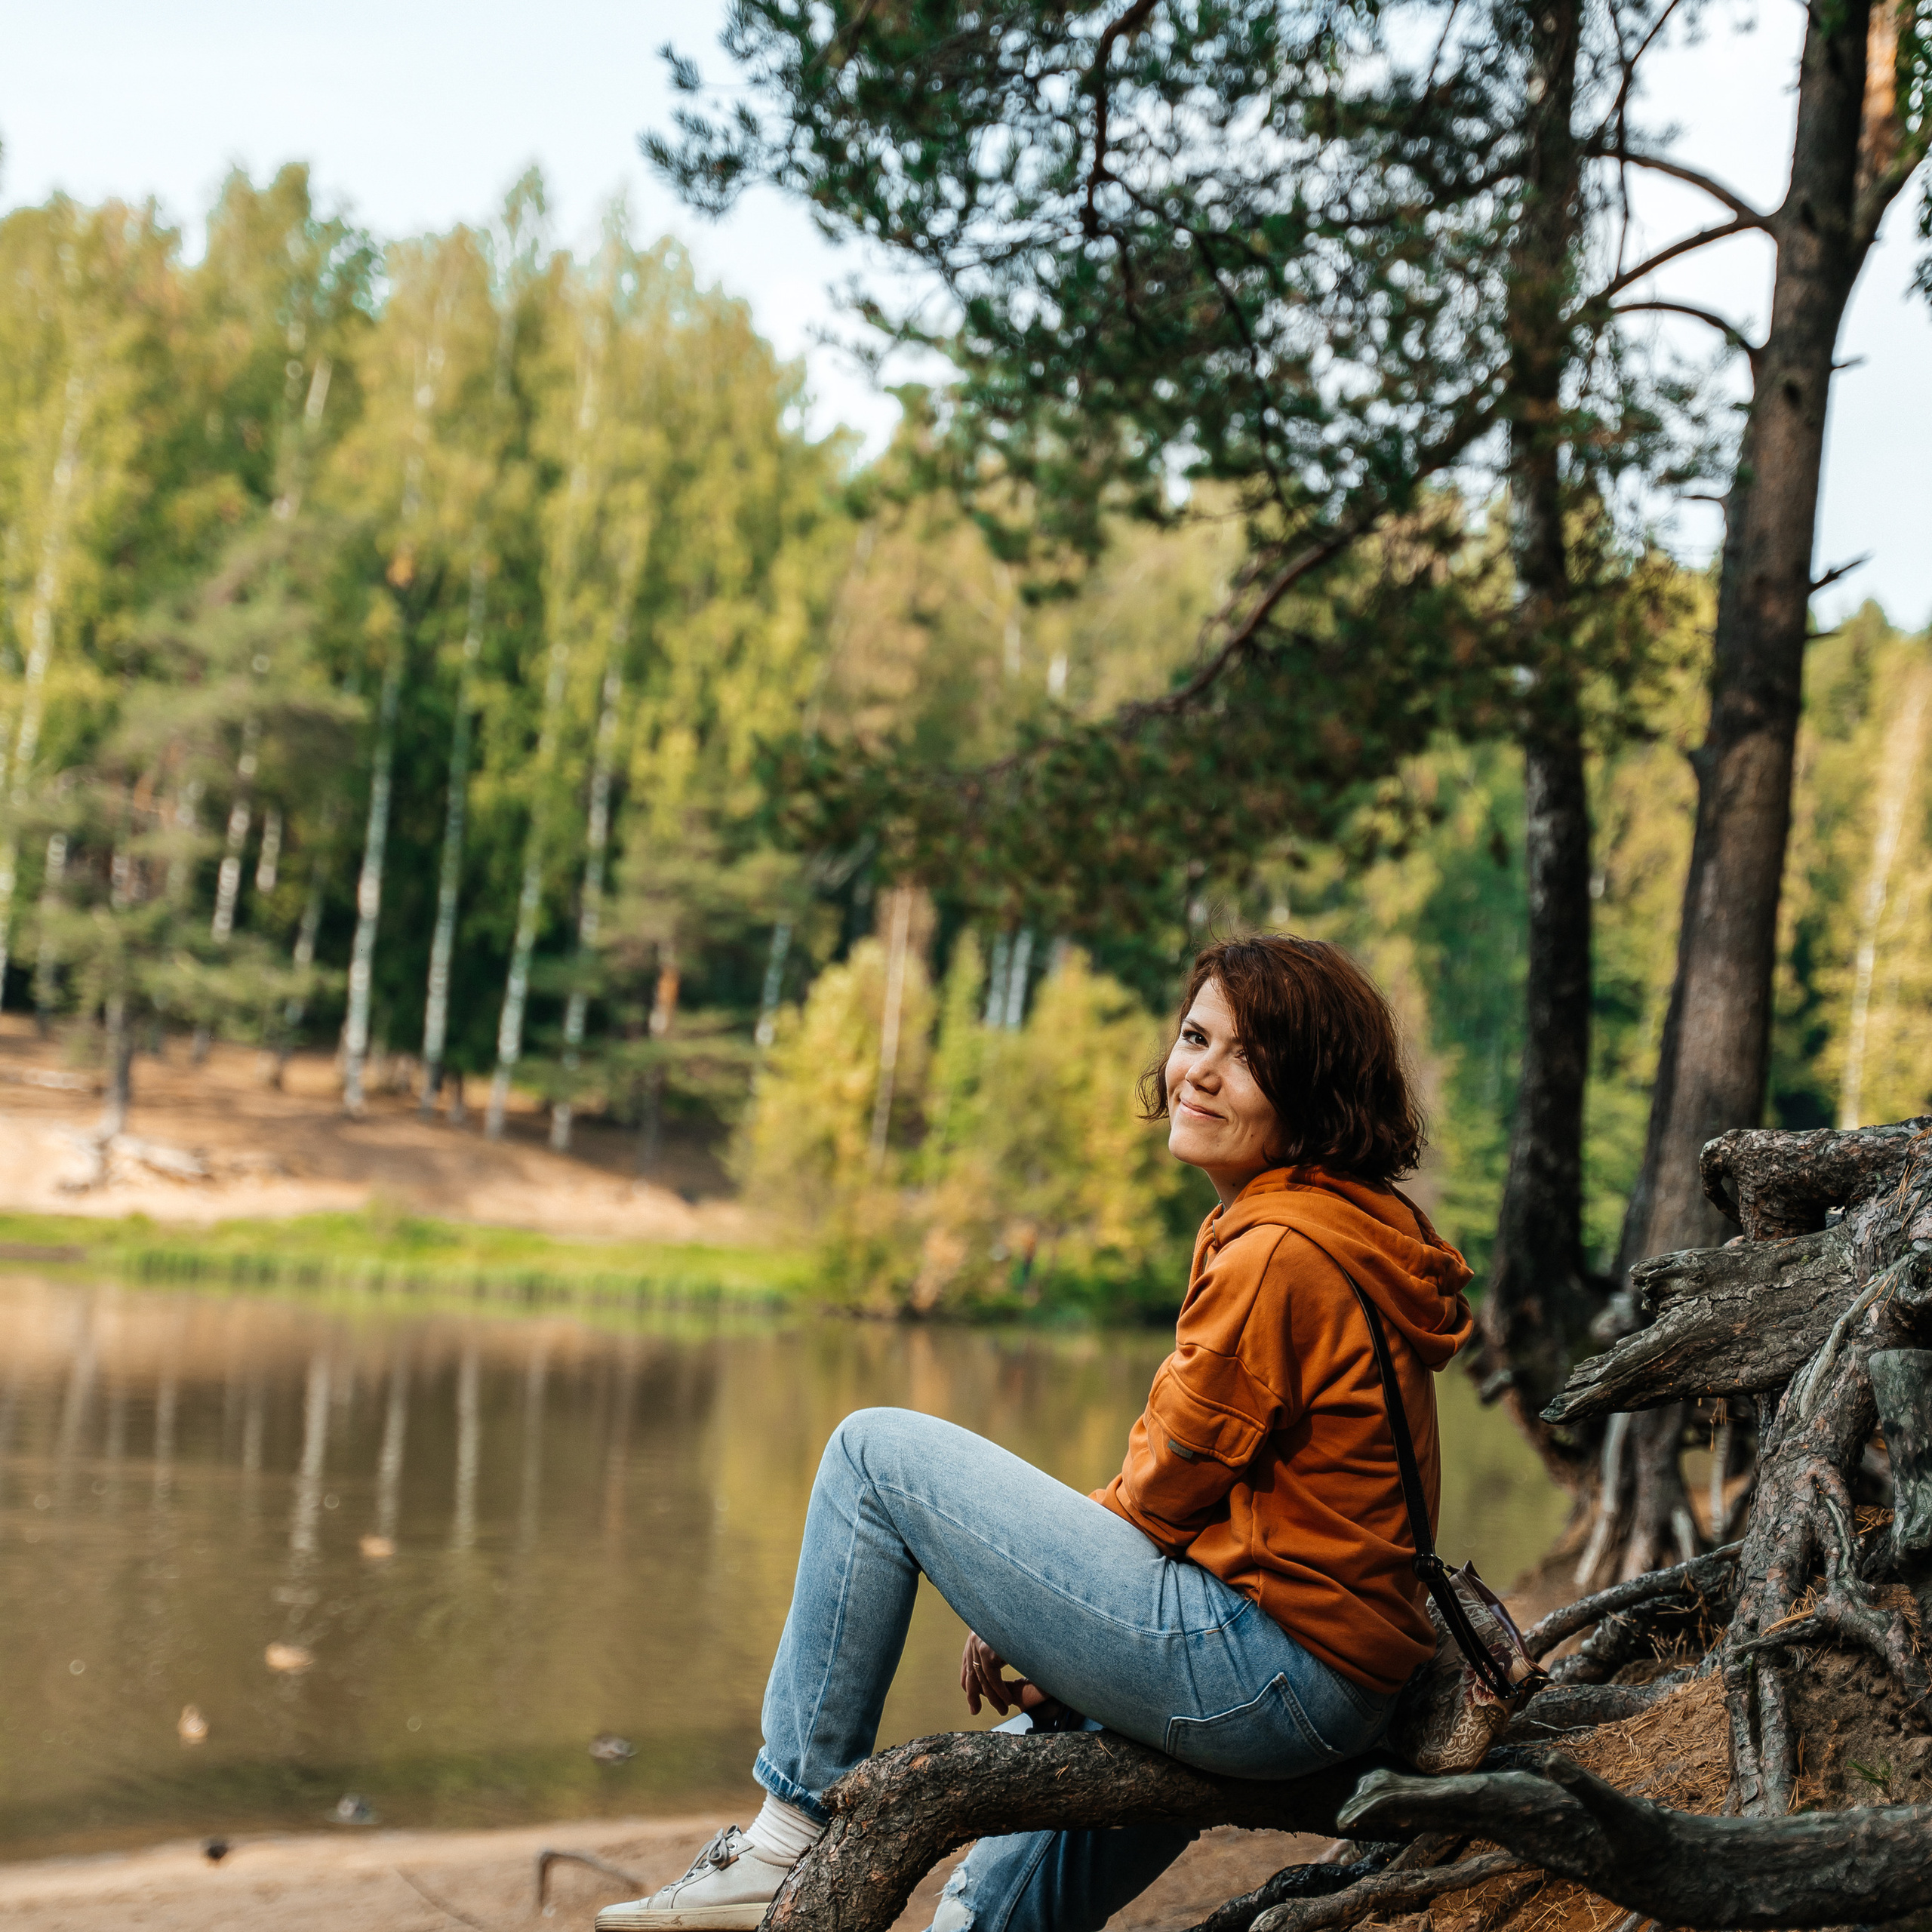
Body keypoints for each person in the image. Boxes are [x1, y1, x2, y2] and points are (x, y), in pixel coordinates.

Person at [595, 934, 1475, 1932]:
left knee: (870, 1458)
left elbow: (1165, 1487)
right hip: (1318, 1677)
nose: (1200, 1072)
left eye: (1250, 1057)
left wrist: (1028, 1619)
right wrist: (1049, 1625)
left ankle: (781, 1840)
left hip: (1266, 1673)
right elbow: (1201, 1479)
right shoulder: (1341, 1224)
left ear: (1315, 1094)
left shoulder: (1279, 1249)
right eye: (1195, 1036)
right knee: (995, 1895)